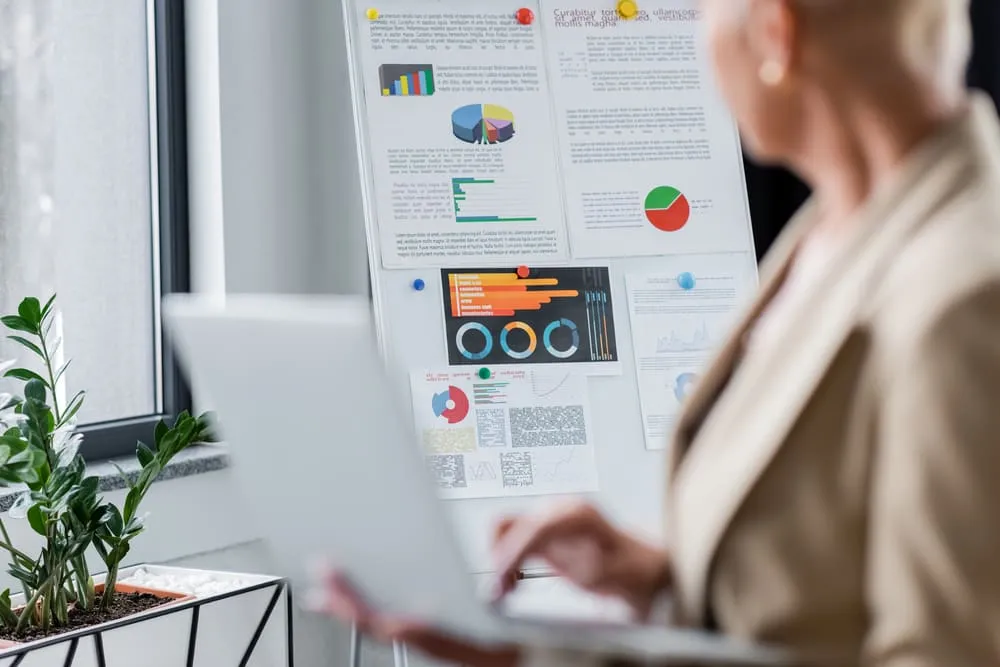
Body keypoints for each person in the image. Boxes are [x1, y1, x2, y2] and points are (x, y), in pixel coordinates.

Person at [318, 0, 1000, 664]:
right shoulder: (836, 231)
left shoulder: (966, 300)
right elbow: (820, 606)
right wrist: (656, 581)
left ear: (775, 34)